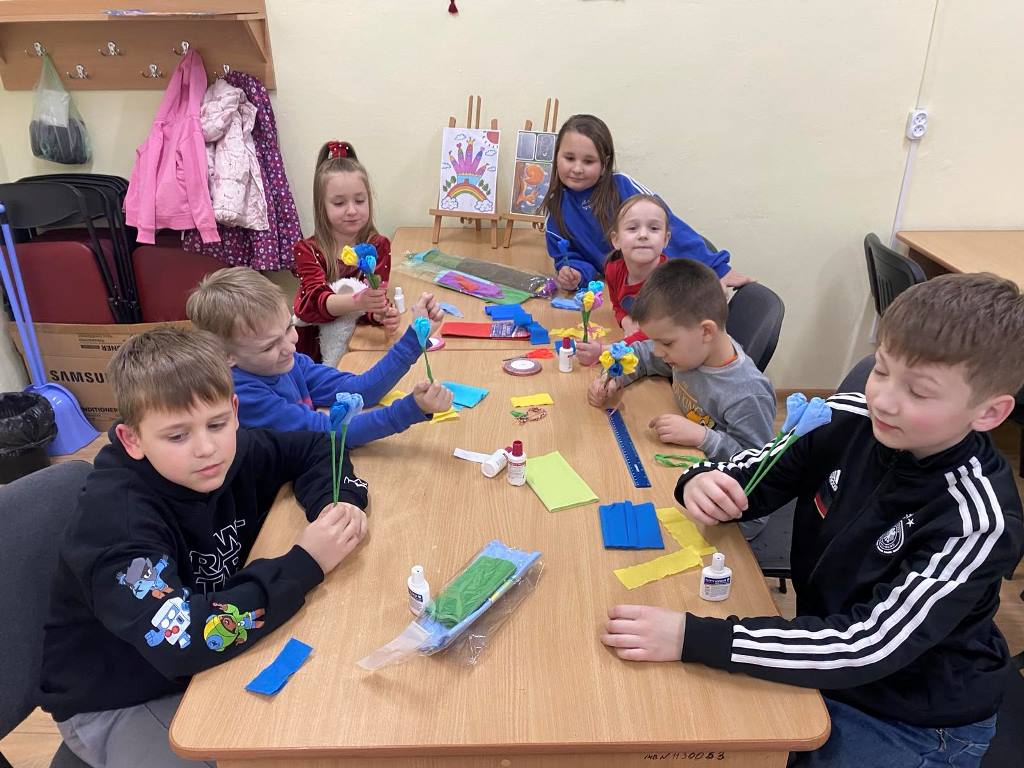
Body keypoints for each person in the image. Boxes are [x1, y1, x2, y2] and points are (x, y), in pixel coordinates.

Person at [602, 273, 1024, 768]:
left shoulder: (977, 519)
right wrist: (700, 480)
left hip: (914, 719)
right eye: (881, 369)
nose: (884, 399)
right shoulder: (847, 417)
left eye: (919, 392)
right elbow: (753, 471)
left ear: (988, 413)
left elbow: (868, 644)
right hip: (831, 661)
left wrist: (692, 637)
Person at [39, 327, 369, 767]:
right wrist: (305, 562)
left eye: (216, 424)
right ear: (132, 439)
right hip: (120, 697)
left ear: (234, 411)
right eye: (177, 436)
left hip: (202, 661)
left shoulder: (229, 451)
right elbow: (182, 639)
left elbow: (318, 446)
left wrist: (335, 504)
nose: (207, 448)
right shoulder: (117, 524)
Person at [588, 258, 775, 540]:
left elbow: (759, 468)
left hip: (735, 513)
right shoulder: (689, 352)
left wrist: (703, 437)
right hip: (693, 471)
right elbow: (642, 355)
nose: (658, 351)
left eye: (665, 343)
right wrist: (615, 376)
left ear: (706, 331)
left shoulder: (747, 393)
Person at [187, 267, 453, 443]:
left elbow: (360, 391)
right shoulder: (244, 396)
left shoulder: (287, 363)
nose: (290, 346)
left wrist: (416, 338)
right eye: (269, 346)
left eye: (289, 328)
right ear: (226, 356)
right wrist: (411, 409)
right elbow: (330, 435)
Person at [541, 114, 751, 292]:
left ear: (604, 164)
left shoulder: (622, 186)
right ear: (556, 157)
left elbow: (672, 228)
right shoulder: (555, 208)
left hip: (666, 288)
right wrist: (576, 273)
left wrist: (717, 269)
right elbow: (569, 256)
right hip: (622, 292)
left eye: (588, 161)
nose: (577, 169)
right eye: (569, 158)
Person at [292, 140, 397, 360]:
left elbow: (374, 299)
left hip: (359, 342)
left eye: (359, 200)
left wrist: (381, 314)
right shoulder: (308, 250)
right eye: (339, 203)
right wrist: (358, 302)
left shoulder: (378, 246)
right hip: (314, 353)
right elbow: (311, 305)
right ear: (322, 207)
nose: (352, 210)